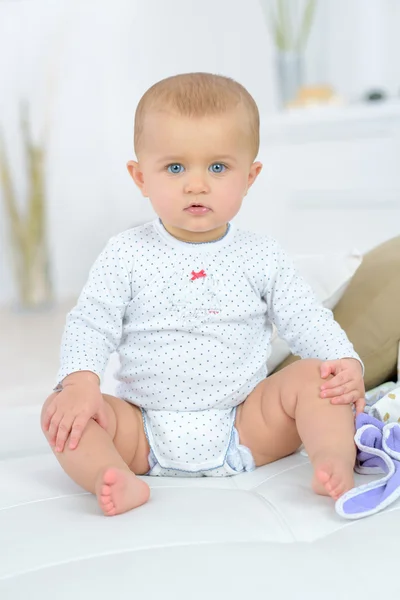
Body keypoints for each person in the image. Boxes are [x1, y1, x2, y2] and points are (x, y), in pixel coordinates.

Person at [41, 72, 365, 517]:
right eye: (175, 168)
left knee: (316, 379)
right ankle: (107, 475)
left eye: (218, 167)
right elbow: (91, 321)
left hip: (248, 423)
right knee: (60, 409)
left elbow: (304, 318)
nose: (196, 185)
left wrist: (344, 363)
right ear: (140, 177)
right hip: (142, 429)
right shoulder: (126, 252)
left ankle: (333, 458)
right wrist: (80, 380)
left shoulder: (260, 254)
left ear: (250, 176)